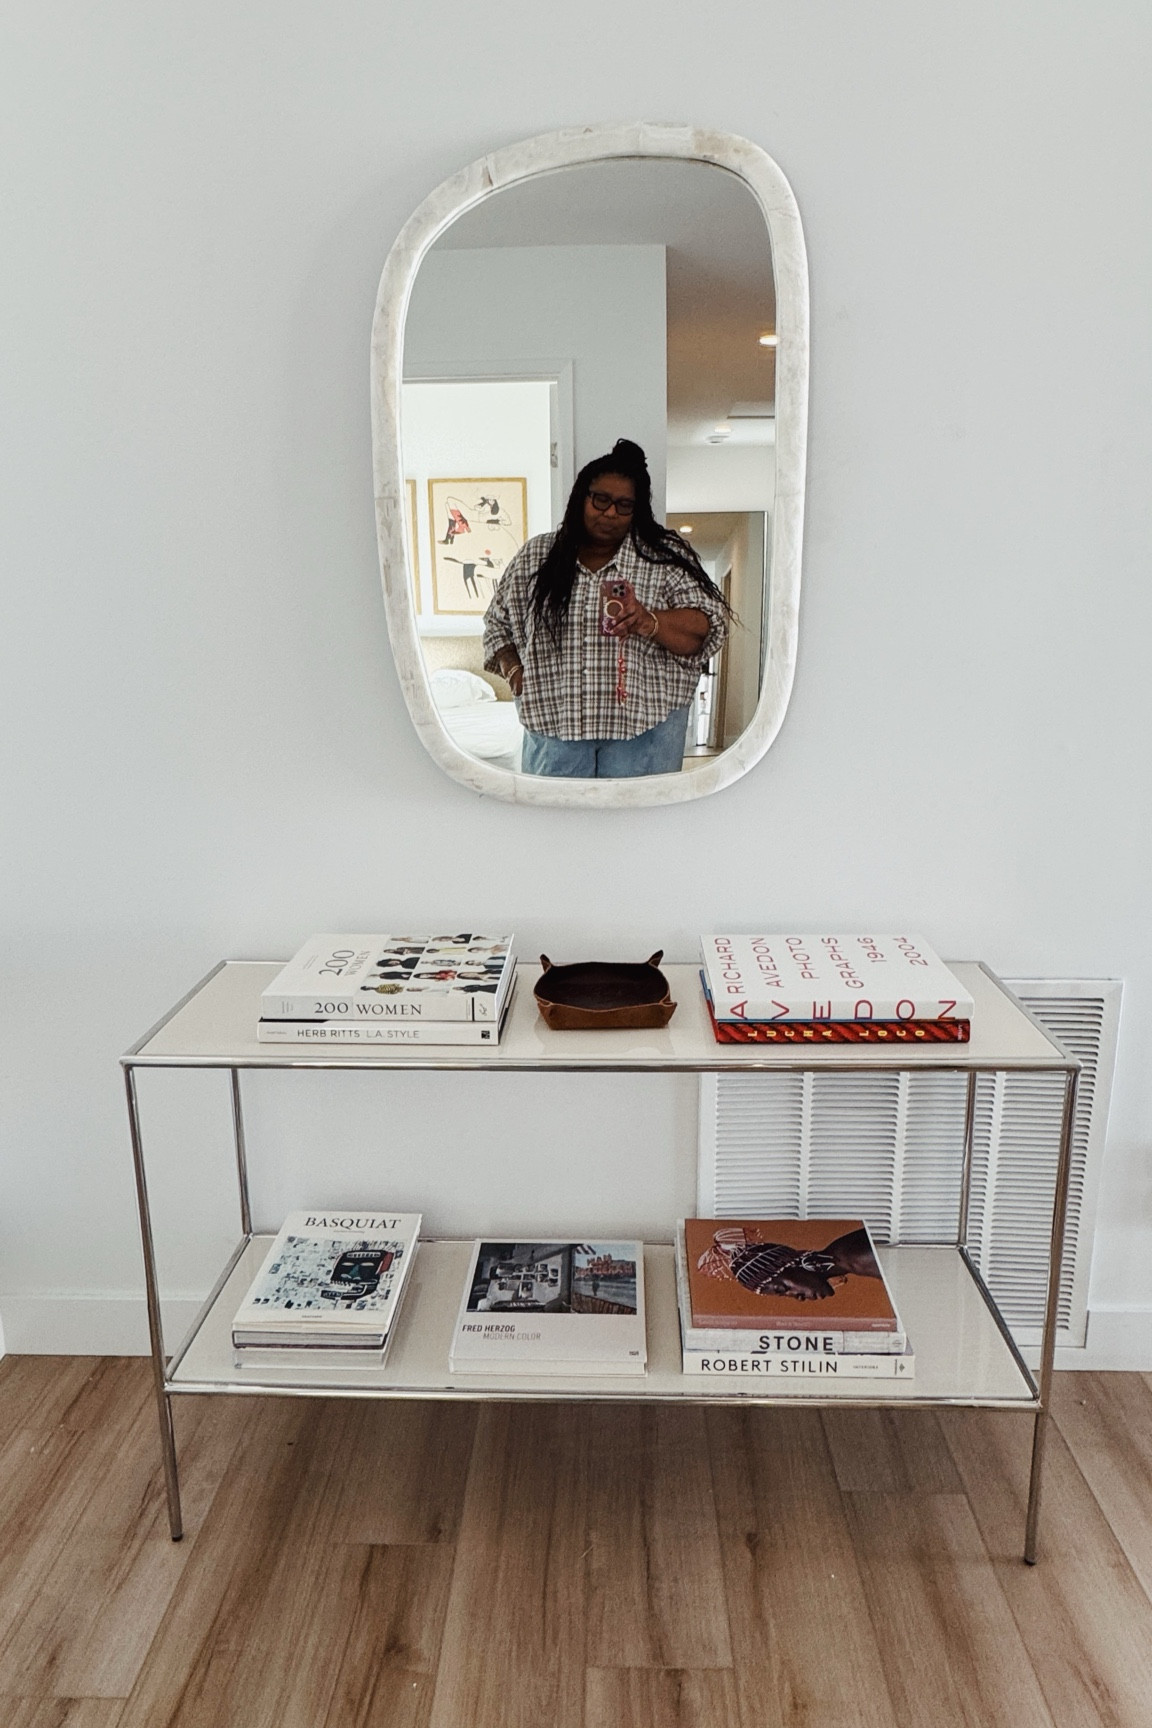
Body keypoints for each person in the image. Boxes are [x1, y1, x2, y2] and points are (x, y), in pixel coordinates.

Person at [482, 439, 731, 777]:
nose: (611, 512)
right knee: (557, 827)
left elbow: (706, 628)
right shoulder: (536, 557)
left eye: (624, 505)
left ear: (636, 510)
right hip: (555, 729)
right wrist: (515, 674)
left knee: (639, 828)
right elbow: (497, 625)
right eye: (601, 500)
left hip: (646, 733)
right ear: (581, 498)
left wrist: (648, 620)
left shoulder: (663, 557)